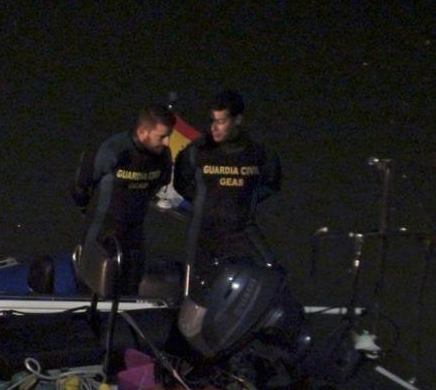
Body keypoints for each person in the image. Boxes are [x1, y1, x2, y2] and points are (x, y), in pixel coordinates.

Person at [173, 89, 283, 288]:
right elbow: (181, 183)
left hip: (241, 232)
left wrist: (242, 199)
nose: (215, 128)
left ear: (238, 120)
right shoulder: (197, 150)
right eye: (212, 121)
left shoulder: (259, 152)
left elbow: (272, 184)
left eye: (222, 121)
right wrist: (205, 201)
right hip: (203, 233)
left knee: (273, 275)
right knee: (198, 289)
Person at [70, 103, 176, 295]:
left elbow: (160, 182)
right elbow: (81, 185)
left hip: (133, 233)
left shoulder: (163, 156)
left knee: (130, 289)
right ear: (143, 131)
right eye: (162, 136)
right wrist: (86, 209)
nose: (168, 142)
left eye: (170, 136)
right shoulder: (113, 150)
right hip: (101, 231)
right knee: (90, 291)